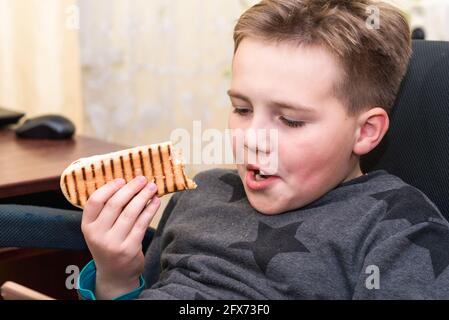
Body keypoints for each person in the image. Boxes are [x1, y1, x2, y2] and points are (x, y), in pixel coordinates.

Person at [77, 0, 449, 300]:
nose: (252, 138)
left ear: (366, 131)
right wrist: (116, 273)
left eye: (290, 120)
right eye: (242, 109)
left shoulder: (399, 230)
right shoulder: (202, 192)